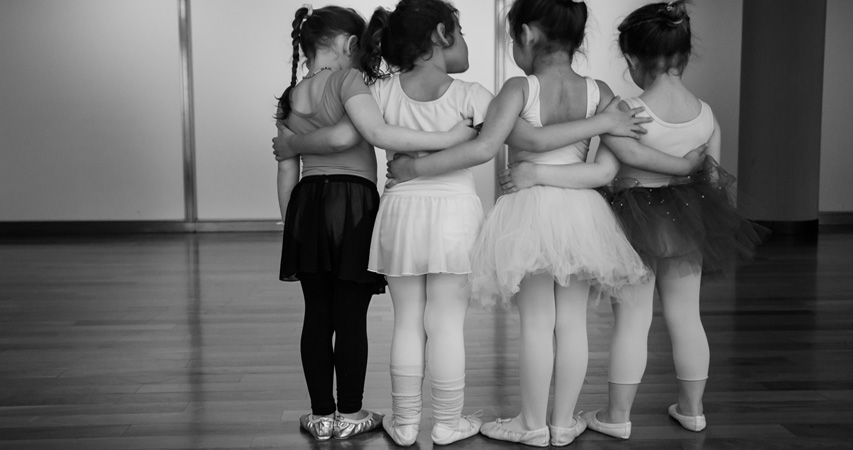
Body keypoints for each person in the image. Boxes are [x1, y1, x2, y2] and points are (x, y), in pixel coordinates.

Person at [383, 0, 702, 446]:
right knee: (572, 323)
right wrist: (621, 132)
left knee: (536, 321)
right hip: (581, 215)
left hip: (529, 214)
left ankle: (531, 424)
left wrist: (418, 169)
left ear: (528, 35)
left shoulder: (519, 88)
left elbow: (514, 140)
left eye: (513, 38)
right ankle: (564, 423)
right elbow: (606, 170)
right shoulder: (600, 93)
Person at [502, 1, 765, 439]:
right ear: (684, 55)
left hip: (635, 224)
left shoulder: (628, 111)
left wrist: (538, 173)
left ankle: (617, 416)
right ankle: (692, 409)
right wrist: (684, 169)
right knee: (687, 316)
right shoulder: (706, 114)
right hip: (690, 222)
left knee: (632, 321)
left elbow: (606, 170)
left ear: (634, 59)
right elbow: (712, 177)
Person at [274, 3, 475, 442]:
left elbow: (286, 167)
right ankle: (350, 412)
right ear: (349, 44)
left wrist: (293, 225)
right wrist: (446, 139)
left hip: (307, 205)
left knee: (316, 314)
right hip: (351, 203)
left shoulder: (290, 97)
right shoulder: (349, 81)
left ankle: (321, 416)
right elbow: (370, 135)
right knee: (350, 315)